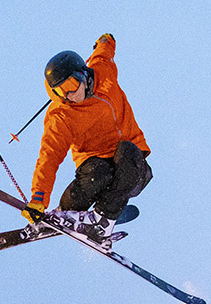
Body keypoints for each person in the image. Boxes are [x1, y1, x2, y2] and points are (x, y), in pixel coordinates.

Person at [22, 34, 152, 247]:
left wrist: (106, 40)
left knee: (127, 151)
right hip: (95, 167)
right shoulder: (62, 116)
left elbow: (104, 50)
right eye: (60, 92)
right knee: (97, 173)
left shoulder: (104, 71)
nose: (69, 95)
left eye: (72, 85)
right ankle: (64, 215)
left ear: (83, 74)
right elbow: (49, 156)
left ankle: (103, 221)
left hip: (133, 170)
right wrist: (38, 197)